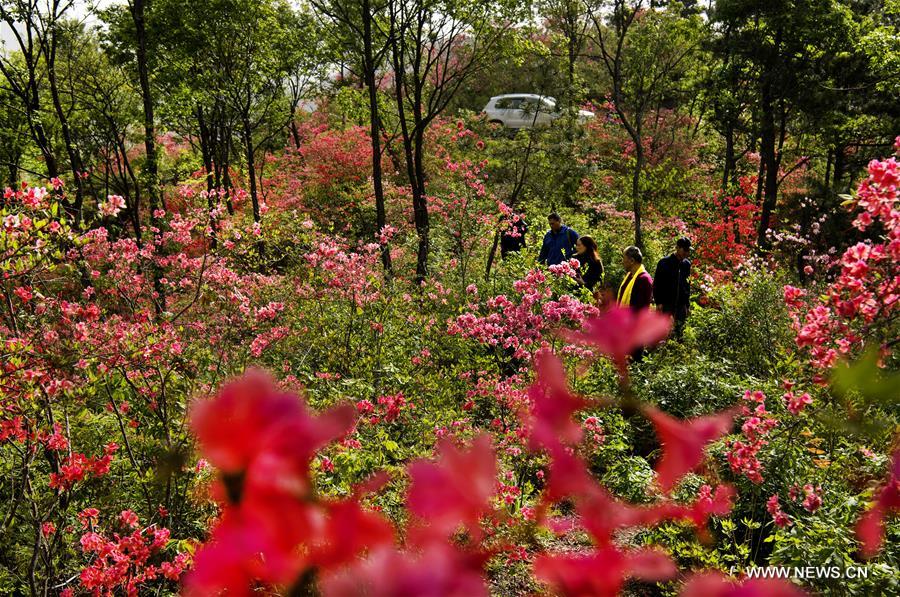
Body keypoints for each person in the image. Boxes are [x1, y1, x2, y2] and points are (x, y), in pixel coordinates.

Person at [617, 245, 654, 361]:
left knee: (634, 361)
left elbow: (640, 309)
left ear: (632, 261)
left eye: (624, 258)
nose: (622, 261)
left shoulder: (644, 279)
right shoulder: (630, 276)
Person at [653, 237, 692, 339]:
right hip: (666, 303)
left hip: (680, 305)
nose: (687, 253)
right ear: (677, 248)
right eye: (685, 250)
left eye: (688, 250)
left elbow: (687, 285)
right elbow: (657, 284)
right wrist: (658, 303)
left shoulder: (686, 264)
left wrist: (687, 305)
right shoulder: (664, 262)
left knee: (679, 332)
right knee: (661, 332)